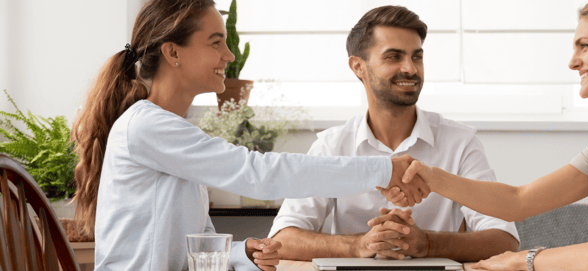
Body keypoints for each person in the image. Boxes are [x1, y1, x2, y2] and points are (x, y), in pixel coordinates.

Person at [70, 1, 428, 270]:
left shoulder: (168, 131)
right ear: (173, 52)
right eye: (215, 43)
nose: (228, 55)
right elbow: (260, 174)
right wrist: (384, 170)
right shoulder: (147, 127)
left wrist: (244, 252)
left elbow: (194, 244)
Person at [387, 0, 588, 270]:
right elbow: (518, 201)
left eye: (585, 45)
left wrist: (521, 261)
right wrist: (430, 177)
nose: (572, 62)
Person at [267, 5, 519, 261]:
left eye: (417, 57)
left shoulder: (460, 142)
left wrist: (428, 244)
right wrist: (359, 245)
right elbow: (282, 239)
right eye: (394, 57)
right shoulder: (332, 146)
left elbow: (504, 240)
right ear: (358, 66)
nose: (410, 68)